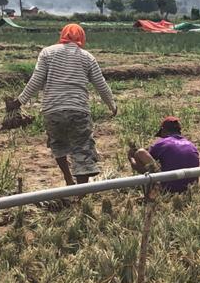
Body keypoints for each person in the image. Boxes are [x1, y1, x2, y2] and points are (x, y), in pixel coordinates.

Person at [7, 23, 117, 186]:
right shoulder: (87, 57)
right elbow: (101, 85)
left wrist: (18, 101)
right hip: (78, 109)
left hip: (52, 110)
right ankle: (81, 192)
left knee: (57, 144)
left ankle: (67, 178)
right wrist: (112, 105)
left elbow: (36, 80)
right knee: (82, 149)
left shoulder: (47, 53)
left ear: (63, 36)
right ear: (81, 37)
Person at [128, 116, 200, 193]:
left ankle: (152, 194)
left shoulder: (162, 143)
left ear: (164, 131)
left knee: (140, 153)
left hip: (169, 189)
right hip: (190, 189)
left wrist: (131, 158)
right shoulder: (191, 145)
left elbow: (145, 161)